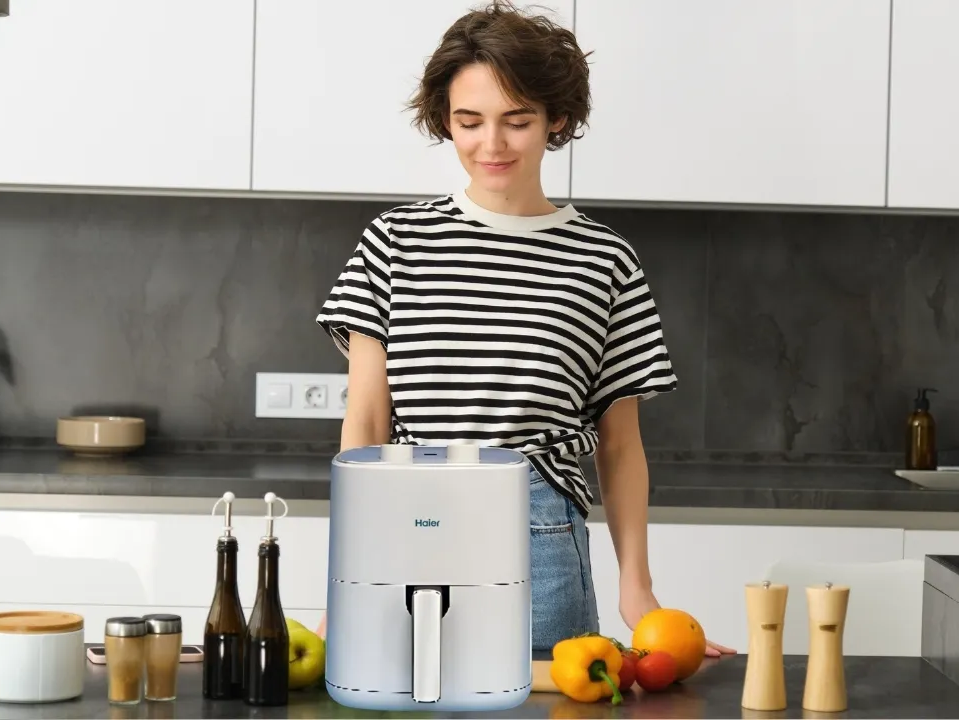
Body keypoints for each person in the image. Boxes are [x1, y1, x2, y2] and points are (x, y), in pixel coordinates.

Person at [312, 0, 734, 657]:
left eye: (518, 121)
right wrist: (347, 584)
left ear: (556, 119)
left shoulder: (605, 260)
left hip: (540, 540)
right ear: (445, 123)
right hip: (407, 526)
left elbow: (619, 446)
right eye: (469, 122)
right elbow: (365, 423)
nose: (492, 145)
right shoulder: (394, 241)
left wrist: (639, 592)